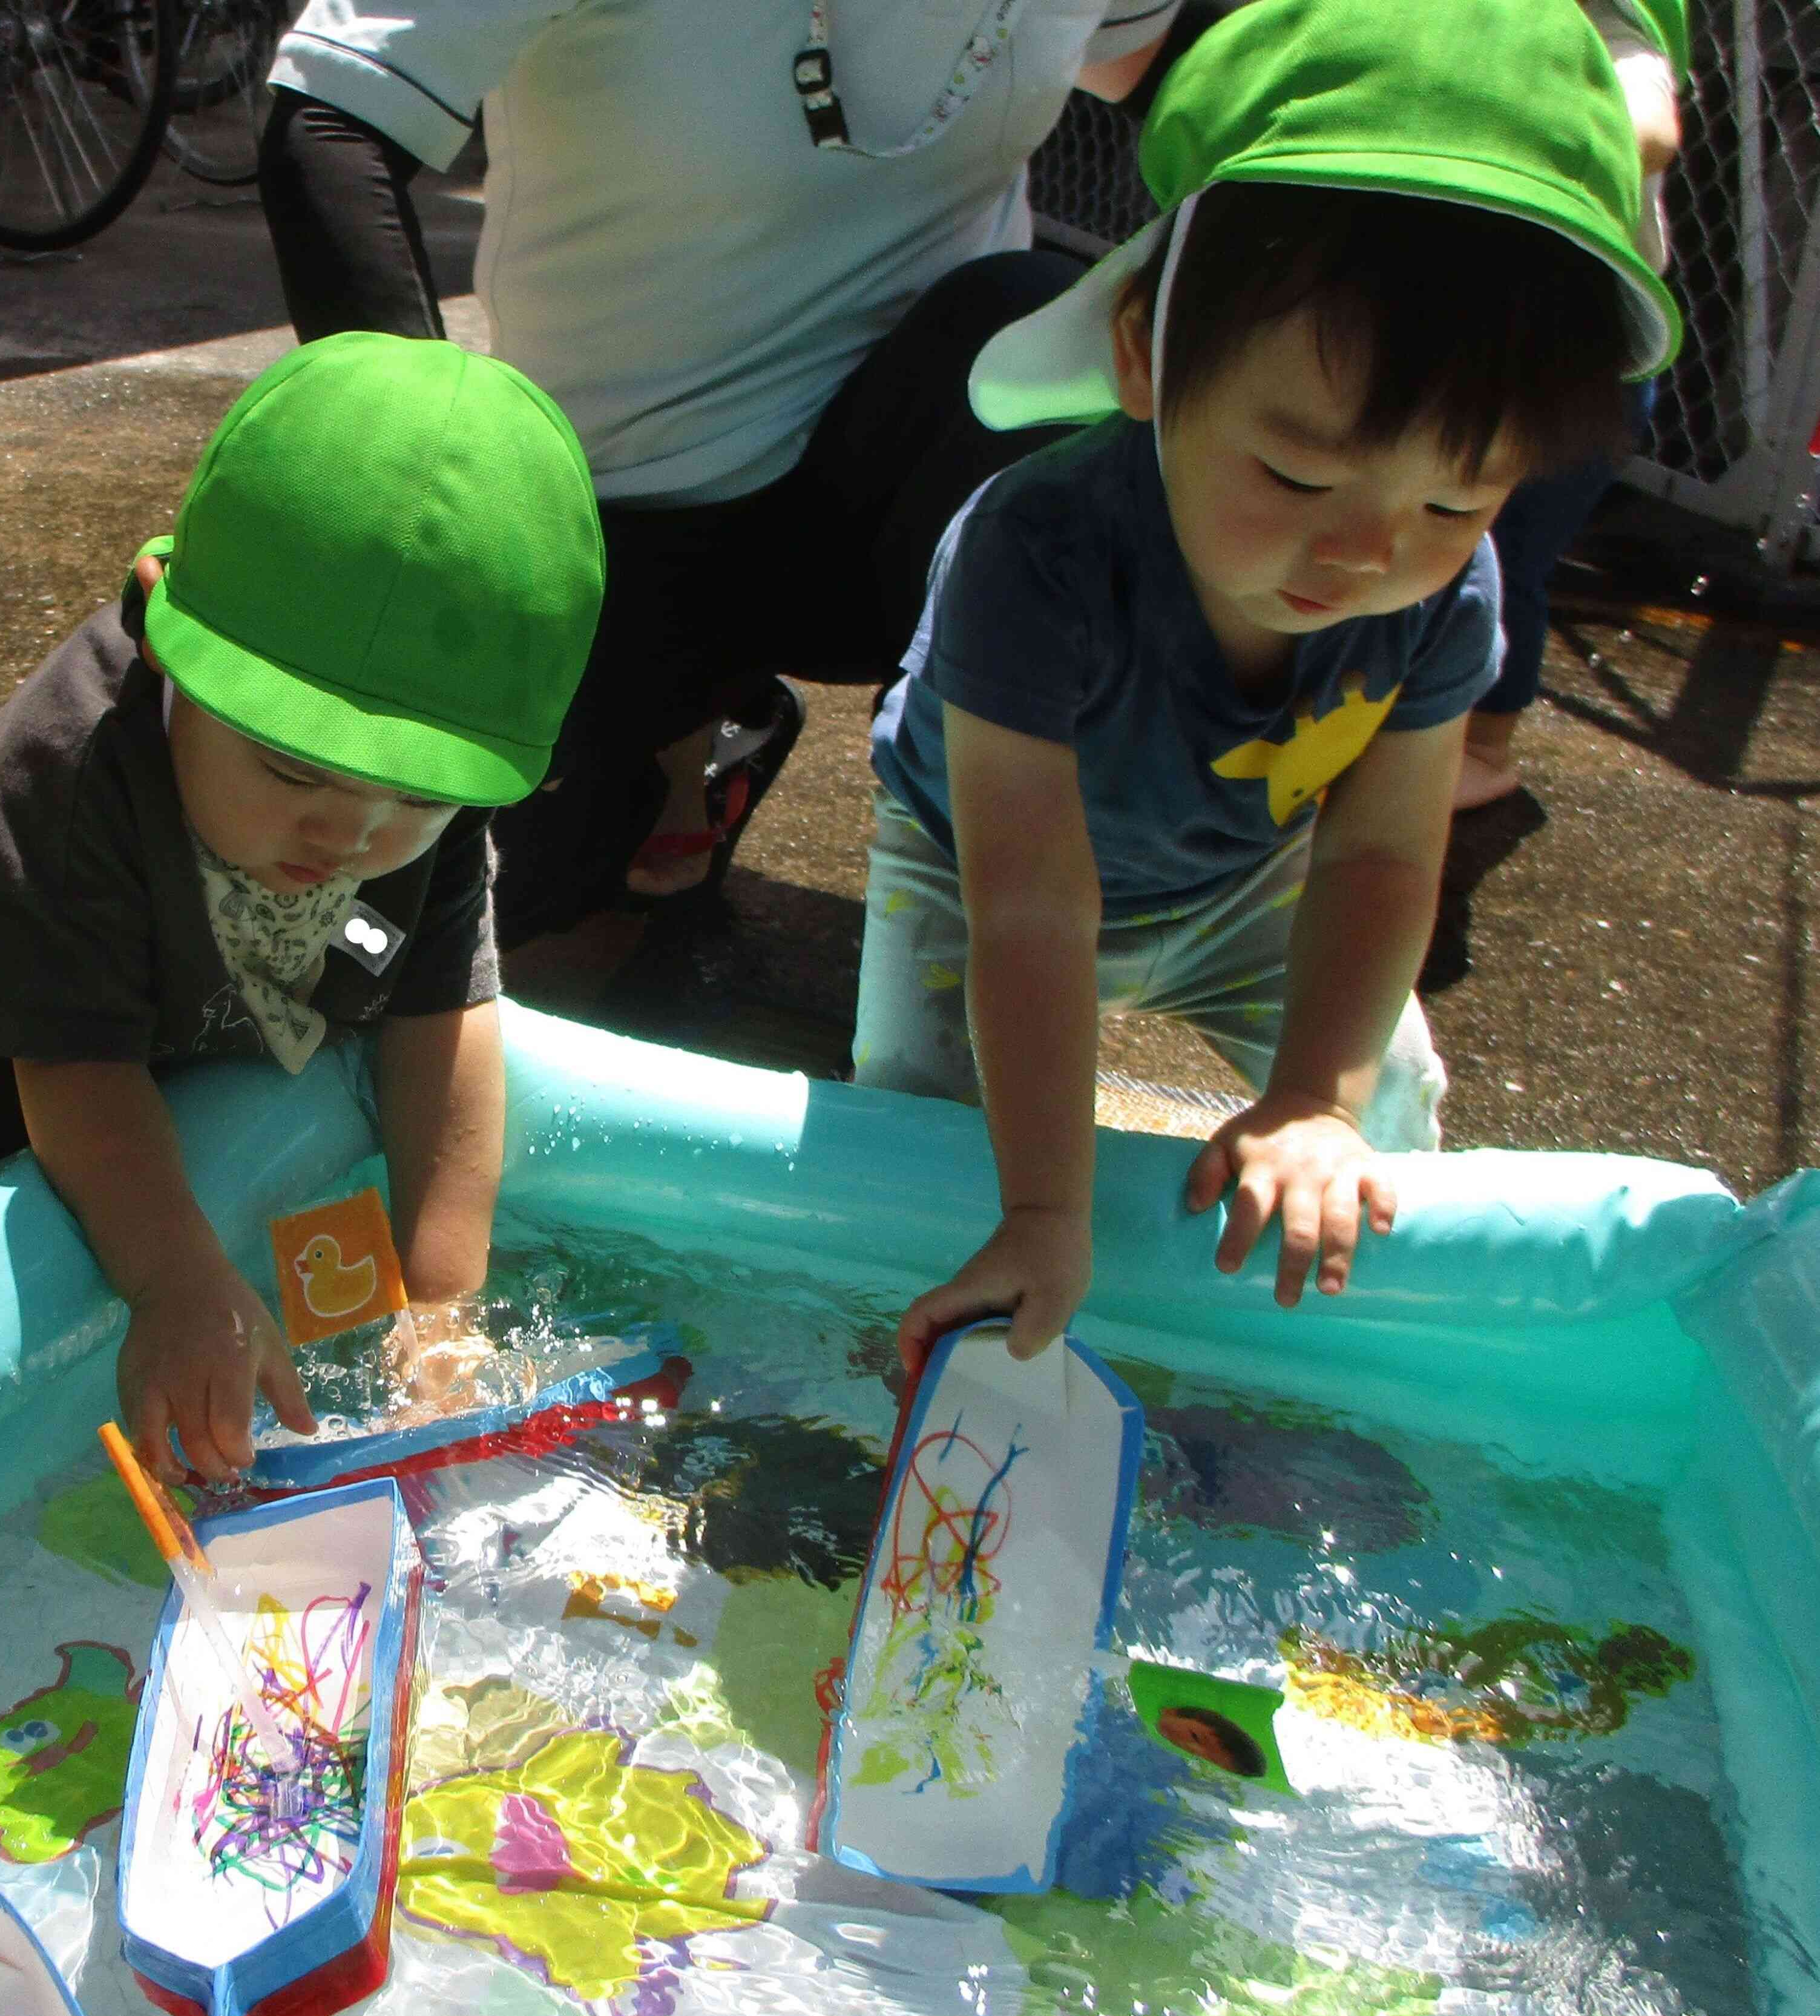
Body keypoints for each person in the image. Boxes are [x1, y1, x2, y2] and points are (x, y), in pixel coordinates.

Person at [863, 0, 1675, 1375]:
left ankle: (1352, 1353)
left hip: (1248, 882)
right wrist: (1050, 1207)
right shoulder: (1034, 555)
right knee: (913, 1142)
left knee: (1383, 1106)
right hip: (978, 868)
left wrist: (1314, 1096)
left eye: (1454, 495)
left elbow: (1376, 852)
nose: (1364, 553)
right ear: (1143, 350)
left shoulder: (1442, 592)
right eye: (1297, 475)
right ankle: (914, 1335)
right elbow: (1032, 902)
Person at [0, 334, 604, 1483]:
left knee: (376, 957)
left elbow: (441, 1012)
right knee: (19, 1187)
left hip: (191, 952)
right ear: (166, 636)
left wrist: (445, 1297)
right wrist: (174, 1280)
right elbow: (71, 1070)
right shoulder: (57, 793)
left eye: (412, 795)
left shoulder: (413, 804)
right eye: (295, 772)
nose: (349, 833)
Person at [253, 0, 1186, 944]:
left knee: (1038, 364)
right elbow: (329, 118)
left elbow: (1192, 73)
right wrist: (439, 476)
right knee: (410, 938)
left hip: (889, 496)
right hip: (612, 515)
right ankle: (694, 736)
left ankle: (969, 899)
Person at [1460, 0, 1687, 812]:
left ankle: (1486, 746)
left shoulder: (1611, 25)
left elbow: (1650, 128)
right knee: (1439, 537)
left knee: (1506, 554)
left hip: (1581, 359)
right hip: (1490, 337)